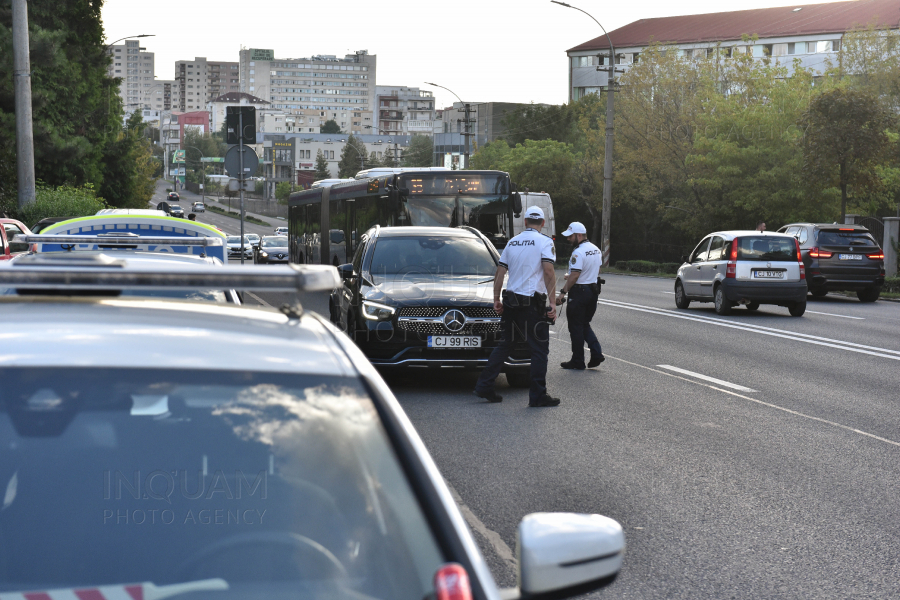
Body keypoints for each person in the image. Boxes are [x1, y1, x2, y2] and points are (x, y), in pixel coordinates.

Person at [473, 206, 560, 407]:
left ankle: (484, 385)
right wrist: (553, 303)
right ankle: (537, 396)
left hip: (511, 302)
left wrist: (497, 299)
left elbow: (500, 273)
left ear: (526, 222)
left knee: (505, 345)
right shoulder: (545, 242)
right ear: (543, 223)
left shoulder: (512, 242)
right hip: (531, 305)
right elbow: (548, 272)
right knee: (539, 350)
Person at [555, 222, 604, 370]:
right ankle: (596, 353)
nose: (568, 239)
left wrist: (562, 292)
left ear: (579, 235)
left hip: (579, 293)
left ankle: (578, 360)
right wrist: (571, 276)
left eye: (571, 236)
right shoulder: (596, 250)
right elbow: (596, 271)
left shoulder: (578, 252)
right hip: (592, 291)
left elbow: (575, 275)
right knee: (584, 324)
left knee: (575, 327)